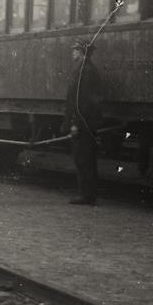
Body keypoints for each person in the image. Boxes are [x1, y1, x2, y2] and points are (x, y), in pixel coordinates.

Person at [63, 39, 105, 205]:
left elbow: (81, 102)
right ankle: (87, 194)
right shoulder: (86, 69)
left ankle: (87, 195)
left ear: (81, 52)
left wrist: (75, 124)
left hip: (84, 123)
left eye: (75, 50)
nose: (72, 52)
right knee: (85, 158)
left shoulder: (84, 71)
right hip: (87, 123)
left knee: (83, 159)